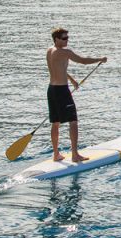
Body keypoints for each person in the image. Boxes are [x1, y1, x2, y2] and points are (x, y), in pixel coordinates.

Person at [46, 28, 107, 162]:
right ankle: (75, 155)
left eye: (67, 37)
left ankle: (56, 154)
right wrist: (100, 59)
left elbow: (58, 69)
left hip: (51, 90)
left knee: (55, 122)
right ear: (56, 39)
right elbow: (83, 61)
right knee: (73, 121)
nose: (67, 40)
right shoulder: (64, 52)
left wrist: (72, 80)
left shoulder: (50, 51)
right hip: (62, 91)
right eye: (64, 38)